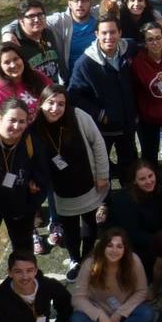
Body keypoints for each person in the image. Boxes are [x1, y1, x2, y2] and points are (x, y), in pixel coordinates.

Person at [33, 85, 109, 281]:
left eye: (61, 104)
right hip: (60, 190)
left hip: (88, 183)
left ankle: (89, 256)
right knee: (69, 227)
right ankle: (75, 259)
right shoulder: (35, 127)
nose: (55, 108)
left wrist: (102, 174)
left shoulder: (78, 116)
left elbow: (98, 143)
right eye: (50, 103)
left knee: (90, 223)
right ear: (41, 103)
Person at [68, 14, 138, 178]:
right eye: (104, 33)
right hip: (102, 129)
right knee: (101, 169)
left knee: (130, 167)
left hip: (128, 125)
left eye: (113, 32)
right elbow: (74, 96)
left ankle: (130, 191)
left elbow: (151, 43)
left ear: (120, 33)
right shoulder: (84, 63)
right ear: (96, 34)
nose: (109, 37)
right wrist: (100, 114)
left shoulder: (129, 49)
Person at [71, 228, 153, 322]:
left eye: (119, 246)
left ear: (125, 249)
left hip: (125, 310)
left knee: (147, 314)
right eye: (110, 245)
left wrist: (121, 312)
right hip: (99, 310)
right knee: (76, 320)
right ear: (102, 246)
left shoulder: (133, 261)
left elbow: (142, 291)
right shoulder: (90, 264)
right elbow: (78, 298)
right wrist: (98, 314)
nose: (114, 250)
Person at [98, 160, 162, 280]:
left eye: (150, 176)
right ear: (135, 181)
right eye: (142, 179)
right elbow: (134, 234)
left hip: (157, 233)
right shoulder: (125, 201)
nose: (149, 181)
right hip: (133, 242)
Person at [0, 99, 50, 251]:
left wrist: (31, 204)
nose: (17, 126)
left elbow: (43, 175)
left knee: (23, 247)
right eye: (12, 120)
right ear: (0, 118)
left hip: (20, 205)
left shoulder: (31, 140)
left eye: (22, 121)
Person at [2, 0, 96, 75]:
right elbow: (23, 20)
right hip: (73, 76)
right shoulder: (58, 21)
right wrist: (7, 32)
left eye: (84, 0)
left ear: (90, 3)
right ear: (69, 3)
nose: (80, 4)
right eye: (76, 0)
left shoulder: (98, 15)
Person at [131, 21, 162, 185]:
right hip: (148, 117)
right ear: (144, 43)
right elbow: (134, 88)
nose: (155, 42)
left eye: (158, 38)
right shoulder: (137, 62)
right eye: (150, 39)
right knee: (149, 154)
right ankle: (152, 187)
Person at [0, 0, 66, 87]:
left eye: (40, 15)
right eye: (31, 16)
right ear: (21, 20)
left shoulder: (49, 34)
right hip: (29, 93)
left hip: (52, 91)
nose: (37, 19)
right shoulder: (12, 43)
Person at [0, 43, 50, 123]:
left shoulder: (39, 77)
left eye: (16, 59)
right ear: (0, 66)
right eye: (7, 62)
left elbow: (56, 97)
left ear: (22, 59)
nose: (13, 65)